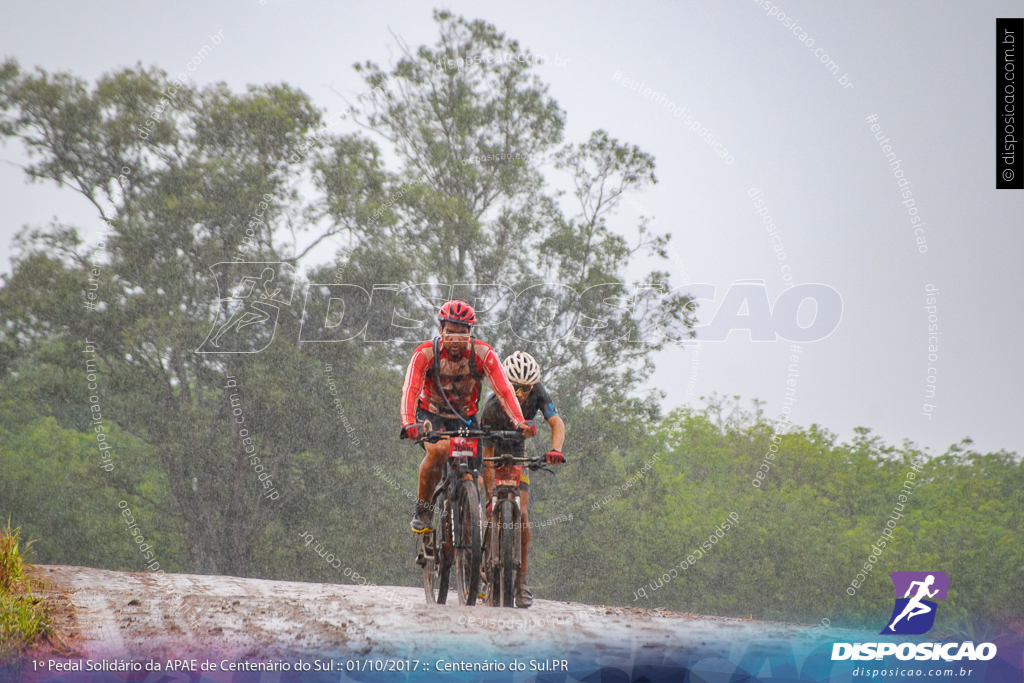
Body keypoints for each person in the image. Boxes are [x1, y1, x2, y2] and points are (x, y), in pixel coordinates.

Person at [399, 300, 536, 533]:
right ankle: (424, 509)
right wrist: (408, 423)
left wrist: (519, 421)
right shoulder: (424, 354)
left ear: (470, 333)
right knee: (440, 450)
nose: (455, 339)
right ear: (440, 330)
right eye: (450, 332)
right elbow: (410, 390)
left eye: (462, 333)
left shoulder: (483, 353)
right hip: (431, 413)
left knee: (477, 476)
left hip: (466, 418)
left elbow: (504, 390)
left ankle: (473, 542)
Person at [479, 351, 565, 608]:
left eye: (524, 388)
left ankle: (521, 583)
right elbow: (487, 457)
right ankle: (486, 562)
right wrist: (488, 499)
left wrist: (556, 450)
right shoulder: (492, 406)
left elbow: (556, 422)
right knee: (491, 506)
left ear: (533, 385)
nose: (518, 393)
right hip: (494, 448)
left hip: (518, 450)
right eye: (513, 387)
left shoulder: (538, 392)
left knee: (524, 512)